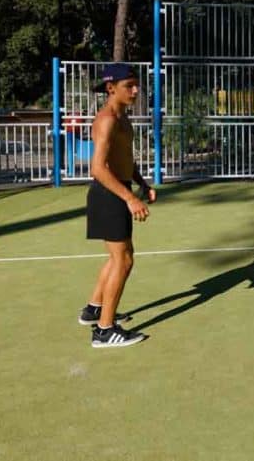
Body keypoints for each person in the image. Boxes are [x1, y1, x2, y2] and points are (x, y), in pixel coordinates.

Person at [77, 63, 156, 348]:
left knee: (117, 257)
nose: (136, 91)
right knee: (124, 260)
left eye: (137, 85)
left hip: (117, 190)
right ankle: (104, 330)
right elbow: (97, 168)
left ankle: (94, 310)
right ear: (111, 88)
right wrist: (130, 197)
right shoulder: (107, 119)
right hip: (108, 193)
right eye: (129, 86)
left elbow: (125, 159)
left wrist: (143, 184)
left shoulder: (124, 119)